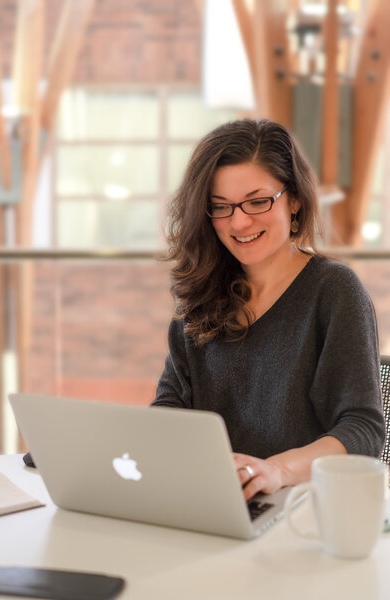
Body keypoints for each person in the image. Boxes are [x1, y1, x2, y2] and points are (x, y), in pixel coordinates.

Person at [151, 118, 385, 501]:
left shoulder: (334, 291)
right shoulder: (200, 296)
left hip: (299, 511)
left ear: (294, 199)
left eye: (258, 201)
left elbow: (362, 431)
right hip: (211, 500)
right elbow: (172, 406)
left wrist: (276, 470)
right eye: (220, 207)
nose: (239, 221)